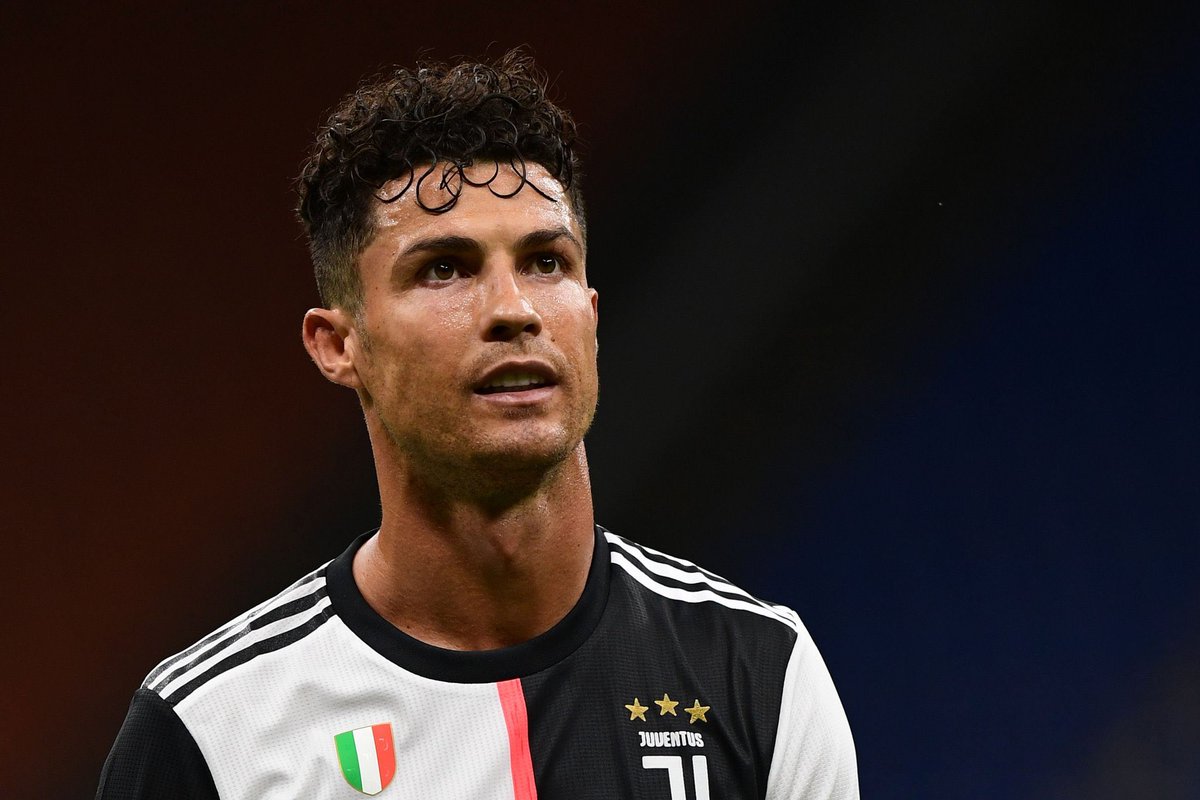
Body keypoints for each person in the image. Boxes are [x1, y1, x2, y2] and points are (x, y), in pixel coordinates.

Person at [96, 50, 858, 799]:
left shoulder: (758, 674)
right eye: (445, 269)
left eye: (546, 262)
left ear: (591, 316)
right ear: (338, 345)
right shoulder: (211, 734)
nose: (513, 311)